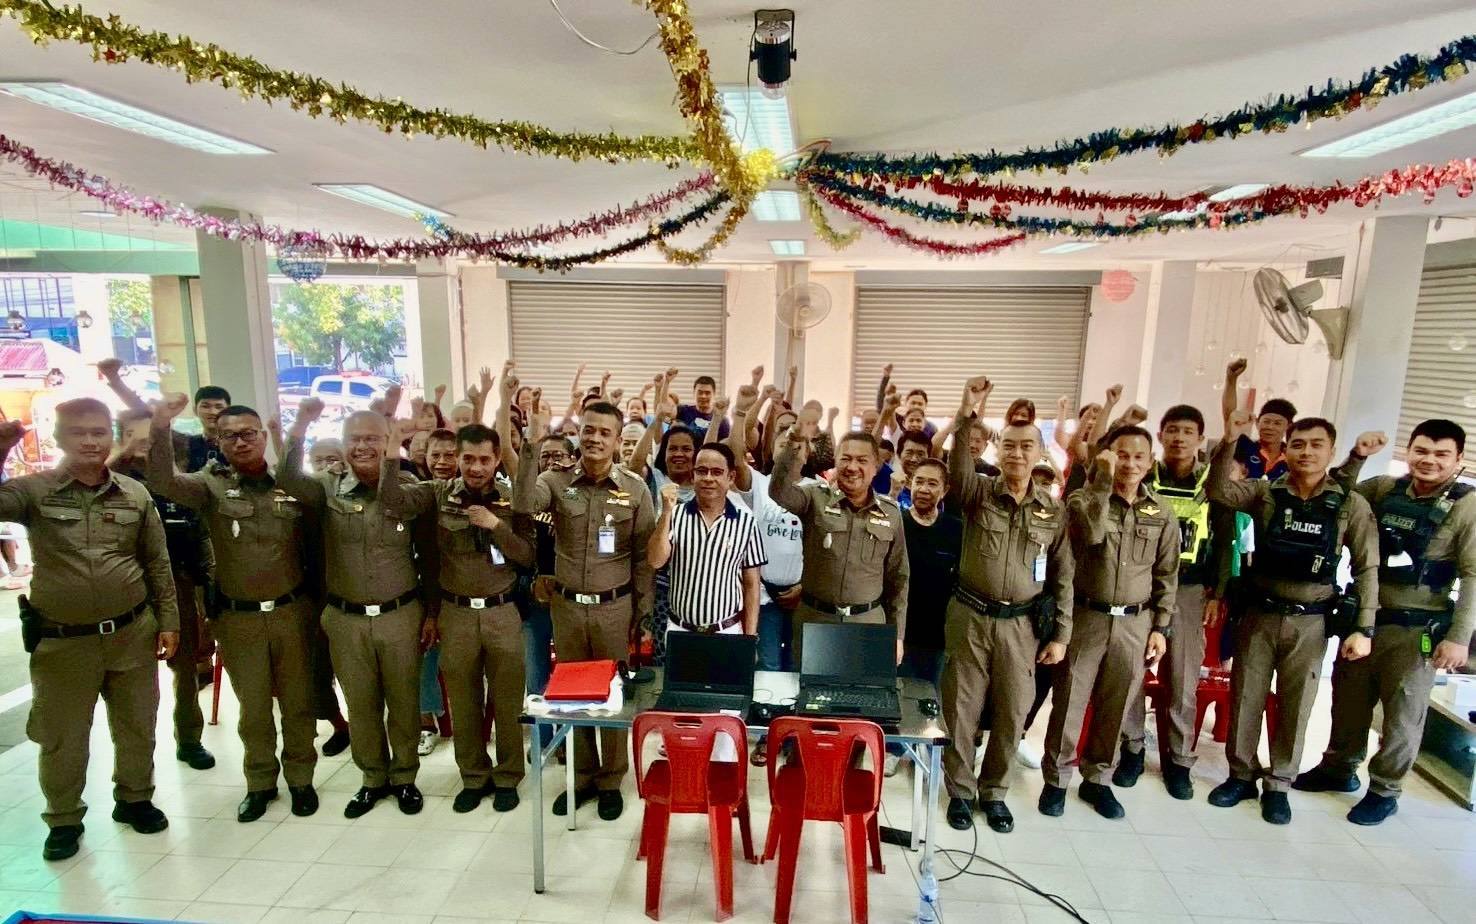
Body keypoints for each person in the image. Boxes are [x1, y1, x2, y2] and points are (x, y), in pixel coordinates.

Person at [0, 402, 179, 861]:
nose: (90, 441)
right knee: (63, 736)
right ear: (59, 437)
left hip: (132, 632)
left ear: (110, 436)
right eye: (78, 432)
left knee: (138, 726)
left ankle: (135, 798)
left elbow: (157, 561)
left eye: (98, 432)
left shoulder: (134, 493)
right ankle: (63, 818)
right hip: (63, 642)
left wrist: (169, 621)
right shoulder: (34, 490)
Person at [146, 398, 319, 822]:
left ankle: (301, 779)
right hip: (239, 618)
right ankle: (260, 782)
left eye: (248, 434)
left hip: (292, 613)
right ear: (217, 441)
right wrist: (160, 425)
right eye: (230, 436)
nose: (240, 442)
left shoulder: (291, 485)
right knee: (254, 708)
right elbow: (162, 480)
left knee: (298, 702)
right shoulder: (208, 487)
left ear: (262, 437)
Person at [1294, 419, 1474, 825]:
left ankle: (1384, 789)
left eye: (1441, 454)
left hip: (1417, 628)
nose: (1429, 460)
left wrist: (1459, 638)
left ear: (1458, 458)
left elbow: (1473, 574)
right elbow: (1334, 495)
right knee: (1348, 701)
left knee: (1402, 714)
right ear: (1408, 451)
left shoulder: (1467, 505)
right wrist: (1357, 456)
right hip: (1365, 620)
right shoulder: (1383, 489)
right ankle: (1339, 768)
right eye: (1421, 450)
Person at [1205, 415, 1379, 826]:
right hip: (1260, 613)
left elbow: (1367, 567)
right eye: (1298, 444)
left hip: (1311, 622)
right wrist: (1229, 439)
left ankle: (1279, 784)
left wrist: (1364, 627)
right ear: (1285, 450)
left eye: (1316, 445)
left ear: (1331, 452)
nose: (1306, 452)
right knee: (1246, 697)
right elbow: (1219, 490)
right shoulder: (1265, 493)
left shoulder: (1349, 504)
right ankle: (1240, 775)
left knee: (1296, 705)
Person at [278, 399, 436, 819]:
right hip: (346, 618)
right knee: (361, 704)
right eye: (354, 439)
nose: (362, 446)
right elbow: (288, 479)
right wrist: (300, 426)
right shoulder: (326, 487)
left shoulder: (409, 489)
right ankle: (372, 778)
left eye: (372, 438)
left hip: (400, 615)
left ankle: (404, 777)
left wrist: (432, 612)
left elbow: (429, 555)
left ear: (388, 443)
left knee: (403, 702)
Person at [939, 377, 1072, 833]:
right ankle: (960, 791)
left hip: (1022, 626)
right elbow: (958, 471)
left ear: (1040, 454)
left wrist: (1061, 634)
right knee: (962, 709)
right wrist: (966, 415)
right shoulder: (977, 493)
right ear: (997, 452)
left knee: (1014, 712)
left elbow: (1063, 576)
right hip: (971, 616)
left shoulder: (1053, 512)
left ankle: (994, 791)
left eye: (1026, 446)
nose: (1016, 453)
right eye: (1009, 446)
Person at [382, 423, 536, 813]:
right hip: (456, 613)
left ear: (497, 459)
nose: (476, 467)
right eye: (468, 458)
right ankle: (473, 776)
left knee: (507, 702)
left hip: (502, 611)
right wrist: (391, 446)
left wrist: (496, 525)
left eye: (484, 459)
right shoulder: (438, 493)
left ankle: (507, 776)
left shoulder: (512, 497)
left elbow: (527, 556)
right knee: (464, 701)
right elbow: (393, 502)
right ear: (457, 458)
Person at [513, 395, 655, 822]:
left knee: (611, 696)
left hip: (615, 608)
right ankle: (583, 777)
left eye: (604, 433)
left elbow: (643, 558)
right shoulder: (555, 481)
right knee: (572, 697)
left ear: (617, 440)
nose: (594, 438)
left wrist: (643, 613)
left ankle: (611, 780)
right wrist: (531, 445)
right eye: (588, 430)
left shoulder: (635, 488)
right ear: (578, 432)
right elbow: (523, 504)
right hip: (568, 609)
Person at [1040, 425, 1179, 822]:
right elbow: (1091, 533)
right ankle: (1056, 780)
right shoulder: (1083, 499)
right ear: (1107, 457)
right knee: (1070, 702)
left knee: (1115, 705)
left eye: (1138, 457)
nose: (1130, 464)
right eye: (1122, 455)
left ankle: (1097, 779)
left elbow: (1167, 573)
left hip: (1136, 622)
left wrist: (1161, 626)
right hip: (1088, 617)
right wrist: (1101, 480)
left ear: (1150, 463)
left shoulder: (1161, 512)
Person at [1114, 405, 1236, 800]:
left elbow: (1225, 540)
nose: (1179, 438)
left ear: (1200, 438)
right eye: (1171, 430)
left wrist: (1218, 593)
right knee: (1132, 674)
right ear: (1161, 435)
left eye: (1187, 431)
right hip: (1140, 587)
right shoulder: (1144, 474)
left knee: (1183, 679)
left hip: (1190, 590)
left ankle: (1178, 761)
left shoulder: (1212, 483)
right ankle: (1132, 749)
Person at [109, 410, 216, 774]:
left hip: (179, 581)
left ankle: (189, 739)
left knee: (185, 669)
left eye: (150, 436)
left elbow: (200, 531)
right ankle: (136, 761)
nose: (142, 442)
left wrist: (207, 583)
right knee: (132, 680)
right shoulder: (111, 481)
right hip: (129, 588)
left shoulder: (175, 480)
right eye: (133, 435)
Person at [769, 406, 909, 665]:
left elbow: (899, 578)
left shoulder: (890, 513)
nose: (852, 467)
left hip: (868, 624)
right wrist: (796, 438)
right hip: (815, 621)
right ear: (835, 461)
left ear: (876, 467)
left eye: (862, 460)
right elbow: (779, 491)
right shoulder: (814, 498)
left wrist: (897, 635)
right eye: (845, 459)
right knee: (809, 691)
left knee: (864, 691)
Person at [648, 442, 765, 637]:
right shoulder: (675, 515)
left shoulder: (746, 522)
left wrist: (750, 636)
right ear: (693, 476)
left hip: (727, 631)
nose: (708, 478)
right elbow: (655, 561)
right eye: (701, 471)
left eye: (717, 472)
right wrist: (666, 512)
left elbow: (752, 585)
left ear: (731, 477)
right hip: (679, 629)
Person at [304, 438, 351, 756]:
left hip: (350, 596)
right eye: (318, 461)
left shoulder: (353, 497)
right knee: (317, 671)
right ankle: (339, 725)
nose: (325, 467)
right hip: (311, 597)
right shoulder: (302, 499)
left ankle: (369, 726)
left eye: (332, 459)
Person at [676, 374, 730, 440]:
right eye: (700, 392)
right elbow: (666, 415)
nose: (703, 396)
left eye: (707, 393)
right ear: (694, 393)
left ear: (714, 394)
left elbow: (725, 444)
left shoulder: (722, 420)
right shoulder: (682, 411)